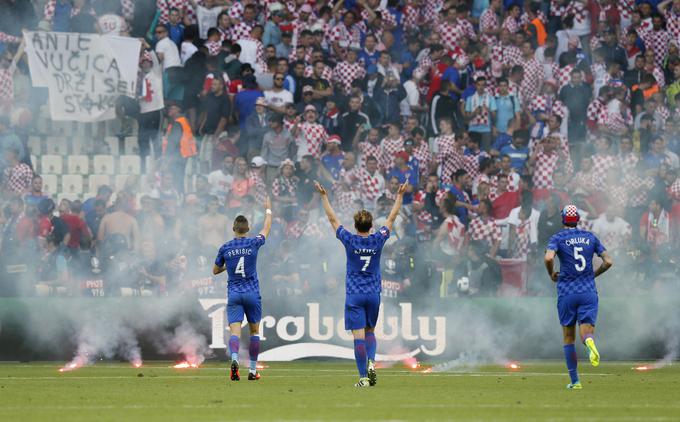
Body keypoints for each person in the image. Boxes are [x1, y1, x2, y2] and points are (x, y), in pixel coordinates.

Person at [315, 180, 407, 387]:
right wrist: (399, 196)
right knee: (371, 332)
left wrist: (324, 196)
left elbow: (332, 218)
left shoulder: (349, 239)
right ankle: (372, 362)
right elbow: (392, 218)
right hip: (373, 292)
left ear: (355, 226)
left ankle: (363, 377)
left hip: (355, 294)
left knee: (358, 337)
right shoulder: (378, 239)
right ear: (371, 225)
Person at [544, 205, 614, 390]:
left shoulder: (557, 238)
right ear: (577, 220)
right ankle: (590, 341)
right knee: (586, 332)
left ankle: (575, 382)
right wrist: (594, 274)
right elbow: (609, 261)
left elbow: (549, 258)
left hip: (567, 291)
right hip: (588, 291)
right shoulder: (590, 237)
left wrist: (551, 274)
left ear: (563, 219)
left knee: (568, 337)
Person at [213, 196, 272, 381]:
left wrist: (227, 267)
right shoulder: (253, 242)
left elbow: (215, 271)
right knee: (255, 332)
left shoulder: (225, 248)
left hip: (234, 294)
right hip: (252, 293)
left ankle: (235, 360)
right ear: (247, 229)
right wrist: (268, 210)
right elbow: (267, 228)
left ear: (233, 229)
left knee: (235, 332)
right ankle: (253, 371)